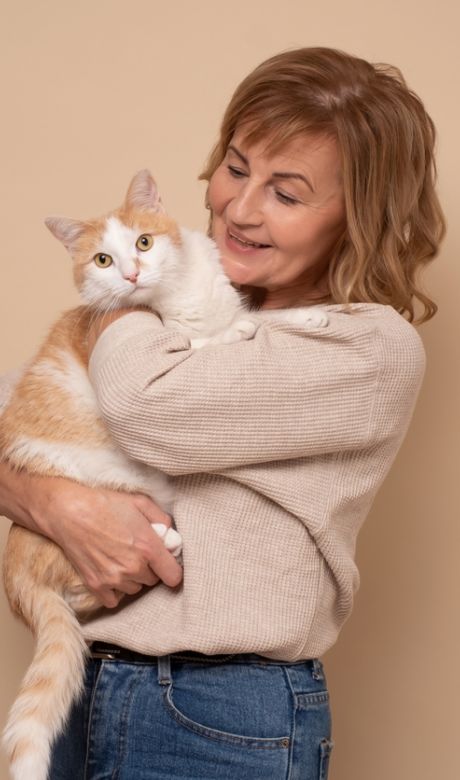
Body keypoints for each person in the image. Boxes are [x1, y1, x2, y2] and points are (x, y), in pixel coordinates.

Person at [0, 47, 445, 779]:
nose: (239, 209)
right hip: (85, 685)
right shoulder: (191, 300)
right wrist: (49, 502)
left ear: (358, 216)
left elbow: (147, 408)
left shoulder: (367, 348)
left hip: (221, 715)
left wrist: (123, 288)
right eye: (237, 168)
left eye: (287, 194)